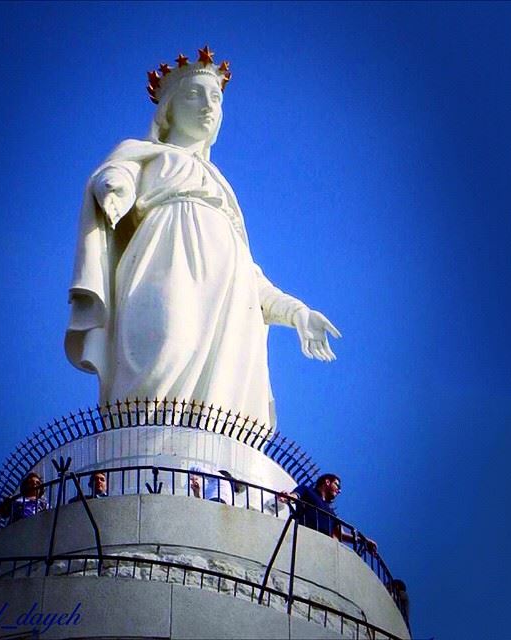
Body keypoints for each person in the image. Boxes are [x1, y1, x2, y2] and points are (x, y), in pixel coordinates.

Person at [65, 46, 341, 431]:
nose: (208, 105)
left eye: (215, 97)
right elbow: (116, 175)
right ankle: (141, 443)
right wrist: (114, 187)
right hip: (163, 259)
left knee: (223, 386)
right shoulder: (146, 155)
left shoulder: (222, 189)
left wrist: (296, 312)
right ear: (169, 110)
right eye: (195, 94)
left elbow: (249, 274)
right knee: (166, 343)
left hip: (228, 288)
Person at [280, 473, 377, 553]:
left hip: (323, 547)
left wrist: (363, 541)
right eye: (337, 485)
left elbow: (340, 535)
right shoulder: (307, 490)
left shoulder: (332, 513)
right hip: (304, 539)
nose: (339, 490)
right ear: (327, 482)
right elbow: (294, 496)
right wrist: (287, 496)